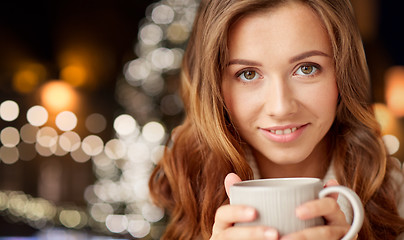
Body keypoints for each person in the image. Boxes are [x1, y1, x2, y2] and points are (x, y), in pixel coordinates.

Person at [149, 0, 404, 239]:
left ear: (343, 72)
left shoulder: (393, 193)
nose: (281, 108)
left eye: (306, 68)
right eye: (248, 74)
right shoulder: (186, 183)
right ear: (214, 86)